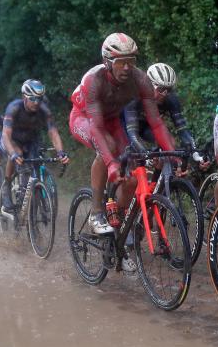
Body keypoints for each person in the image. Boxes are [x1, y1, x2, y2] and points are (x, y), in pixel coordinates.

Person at [69, 33, 178, 270]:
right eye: (121, 62)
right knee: (106, 148)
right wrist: (110, 162)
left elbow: (157, 123)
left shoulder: (140, 80)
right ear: (108, 61)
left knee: (133, 169)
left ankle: (118, 218)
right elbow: (97, 128)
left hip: (112, 121)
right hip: (85, 119)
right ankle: (97, 211)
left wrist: (172, 152)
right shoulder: (94, 80)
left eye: (131, 61)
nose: (127, 67)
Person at [0, 79, 70, 216]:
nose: (36, 102)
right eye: (32, 98)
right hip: (12, 139)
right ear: (24, 97)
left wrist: (61, 152)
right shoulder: (14, 108)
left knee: (36, 163)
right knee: (17, 154)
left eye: (39, 98)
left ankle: (31, 207)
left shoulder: (44, 110)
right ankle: (7, 185)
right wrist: (13, 154)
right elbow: (6, 135)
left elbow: (53, 132)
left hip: (31, 140)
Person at [122, 63, 209, 171]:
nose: (164, 94)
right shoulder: (134, 96)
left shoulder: (171, 100)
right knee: (131, 167)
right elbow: (132, 134)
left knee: (170, 145)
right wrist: (145, 154)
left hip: (146, 128)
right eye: (161, 89)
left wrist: (196, 154)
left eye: (169, 89)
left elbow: (183, 130)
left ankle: (160, 184)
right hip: (125, 127)